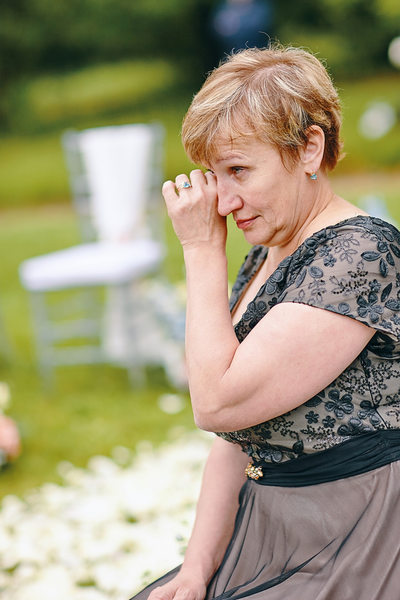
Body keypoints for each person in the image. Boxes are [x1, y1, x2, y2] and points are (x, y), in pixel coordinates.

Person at [130, 44, 400, 599]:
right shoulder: (270, 247)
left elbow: (217, 402)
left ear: (309, 149)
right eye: (212, 174)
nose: (223, 201)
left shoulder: (360, 255)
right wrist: (195, 571)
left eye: (238, 171)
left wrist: (203, 251)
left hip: (357, 531)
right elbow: (235, 438)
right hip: (274, 520)